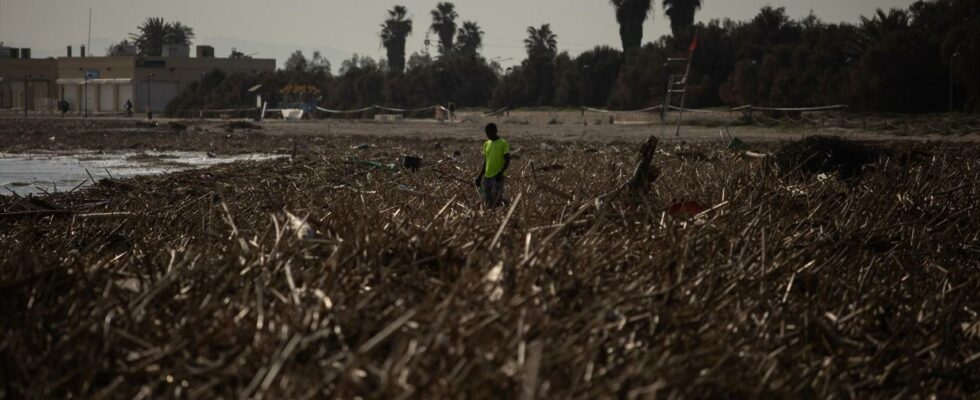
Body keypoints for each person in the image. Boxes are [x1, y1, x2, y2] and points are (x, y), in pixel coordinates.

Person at [474, 123, 510, 208]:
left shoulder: (503, 143)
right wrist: (479, 176)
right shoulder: (486, 144)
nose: (488, 135)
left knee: (496, 197)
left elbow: (507, 161)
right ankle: (491, 216)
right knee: (487, 198)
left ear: (496, 131)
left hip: (498, 176)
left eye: (490, 132)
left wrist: (500, 173)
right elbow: (486, 162)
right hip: (487, 176)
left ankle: (504, 208)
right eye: (487, 133)